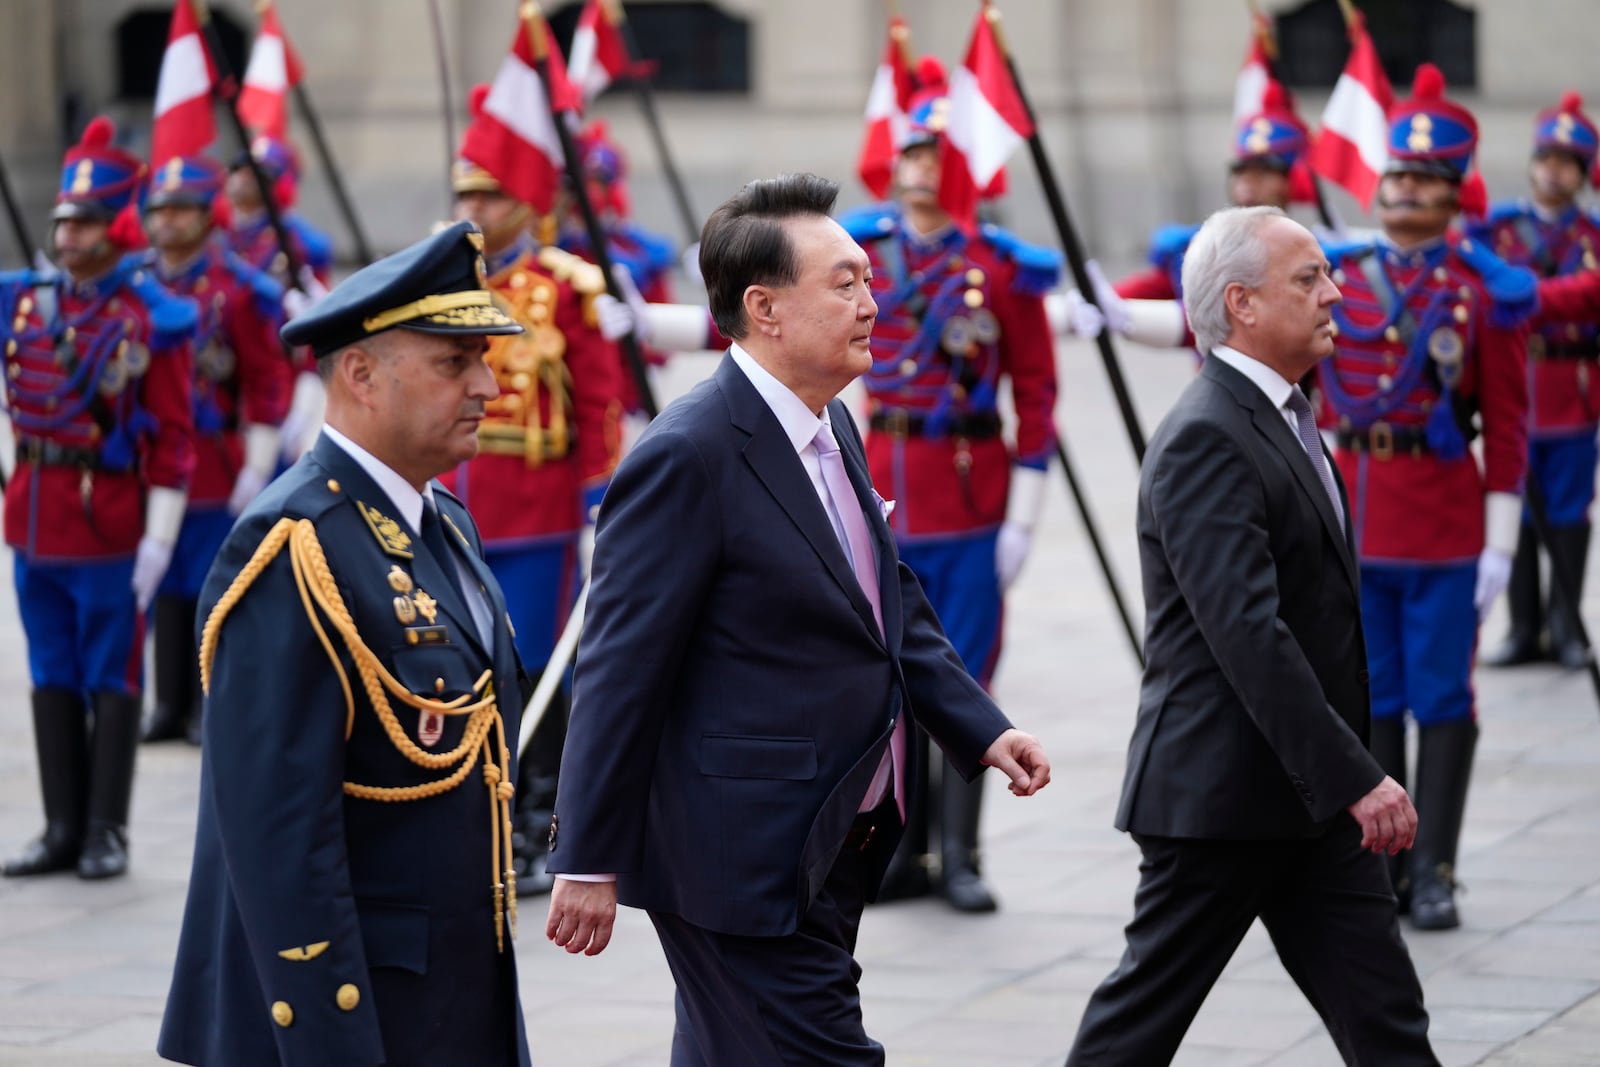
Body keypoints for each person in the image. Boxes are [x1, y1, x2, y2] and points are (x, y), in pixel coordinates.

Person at [542, 173, 1051, 1065]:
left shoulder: (829, 424)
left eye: (866, 278)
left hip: (831, 835)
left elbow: (885, 600)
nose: (872, 300)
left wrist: (981, 727)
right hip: (738, 852)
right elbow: (617, 667)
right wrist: (584, 857)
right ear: (765, 310)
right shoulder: (689, 453)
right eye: (845, 283)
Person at [1066, 205, 1438, 1067]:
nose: (1334, 291)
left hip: (1309, 802)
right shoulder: (1207, 434)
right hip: (1223, 798)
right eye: (1308, 277)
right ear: (1242, 304)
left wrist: (1341, 779)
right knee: (1136, 1029)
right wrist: (1360, 775)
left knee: (1388, 1023)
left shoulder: (1283, 414)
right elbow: (1248, 635)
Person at [157, 222, 533, 1067]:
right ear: (361, 374)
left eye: (481, 359)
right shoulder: (298, 545)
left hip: (454, 996)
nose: (487, 385)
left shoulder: (441, 521)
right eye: (453, 363)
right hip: (360, 1014)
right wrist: (331, 1042)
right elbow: (278, 835)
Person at [838, 61, 1060, 913]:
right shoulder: (859, 257)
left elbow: (1036, 392)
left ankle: (963, 855)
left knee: (964, 673)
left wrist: (1026, 515)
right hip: (884, 485)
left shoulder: (1001, 267)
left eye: (939, 151)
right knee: (889, 679)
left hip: (971, 494)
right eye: (913, 148)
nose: (923, 165)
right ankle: (905, 853)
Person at [1317, 65, 1532, 931]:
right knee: (1374, 697)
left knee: (1443, 695)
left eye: (1423, 181)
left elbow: (1509, 425)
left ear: (1453, 197)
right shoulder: (1341, 278)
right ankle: (1385, 866)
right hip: (1358, 522)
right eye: (1395, 176)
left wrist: (1503, 542)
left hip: (1444, 526)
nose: (1403, 190)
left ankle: (1436, 867)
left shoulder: (1481, 292)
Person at [0, 117, 196, 881]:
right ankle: (59, 826)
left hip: (111, 524)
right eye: (63, 220)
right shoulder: (21, 300)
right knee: (50, 670)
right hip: (35, 520)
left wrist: (159, 539)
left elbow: (174, 440)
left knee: (110, 674)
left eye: (84, 221)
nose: (69, 233)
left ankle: (105, 830)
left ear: (116, 225)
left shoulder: (155, 318)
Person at [442, 143, 623, 895]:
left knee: (538, 664)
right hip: (458, 500)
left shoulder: (566, 286)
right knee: (463, 664)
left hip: (539, 508)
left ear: (523, 201)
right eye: (466, 197)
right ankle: (477, 810)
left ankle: (542, 814)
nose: (474, 211)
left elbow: (599, 401)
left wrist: (597, 506)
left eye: (488, 196)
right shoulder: (442, 279)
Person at [135, 154, 293, 745]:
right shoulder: (138, 281)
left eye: (181, 210)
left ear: (207, 216)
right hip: (156, 460)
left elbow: (266, 378)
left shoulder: (239, 289)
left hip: (215, 459)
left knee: (212, 587)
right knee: (166, 586)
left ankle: (209, 706)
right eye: (160, 209)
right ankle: (168, 703)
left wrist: (258, 461)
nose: (168, 221)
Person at [1471, 93, 1600, 670]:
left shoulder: (1592, 235)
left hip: (1570, 388)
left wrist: (1523, 295)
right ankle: (1522, 628)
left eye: (1567, 161)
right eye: (1546, 156)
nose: (1554, 168)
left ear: (1583, 172)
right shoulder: (1496, 229)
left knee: (1570, 509)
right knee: (1516, 505)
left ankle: (1566, 625)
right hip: (1514, 382)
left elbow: (1587, 295)